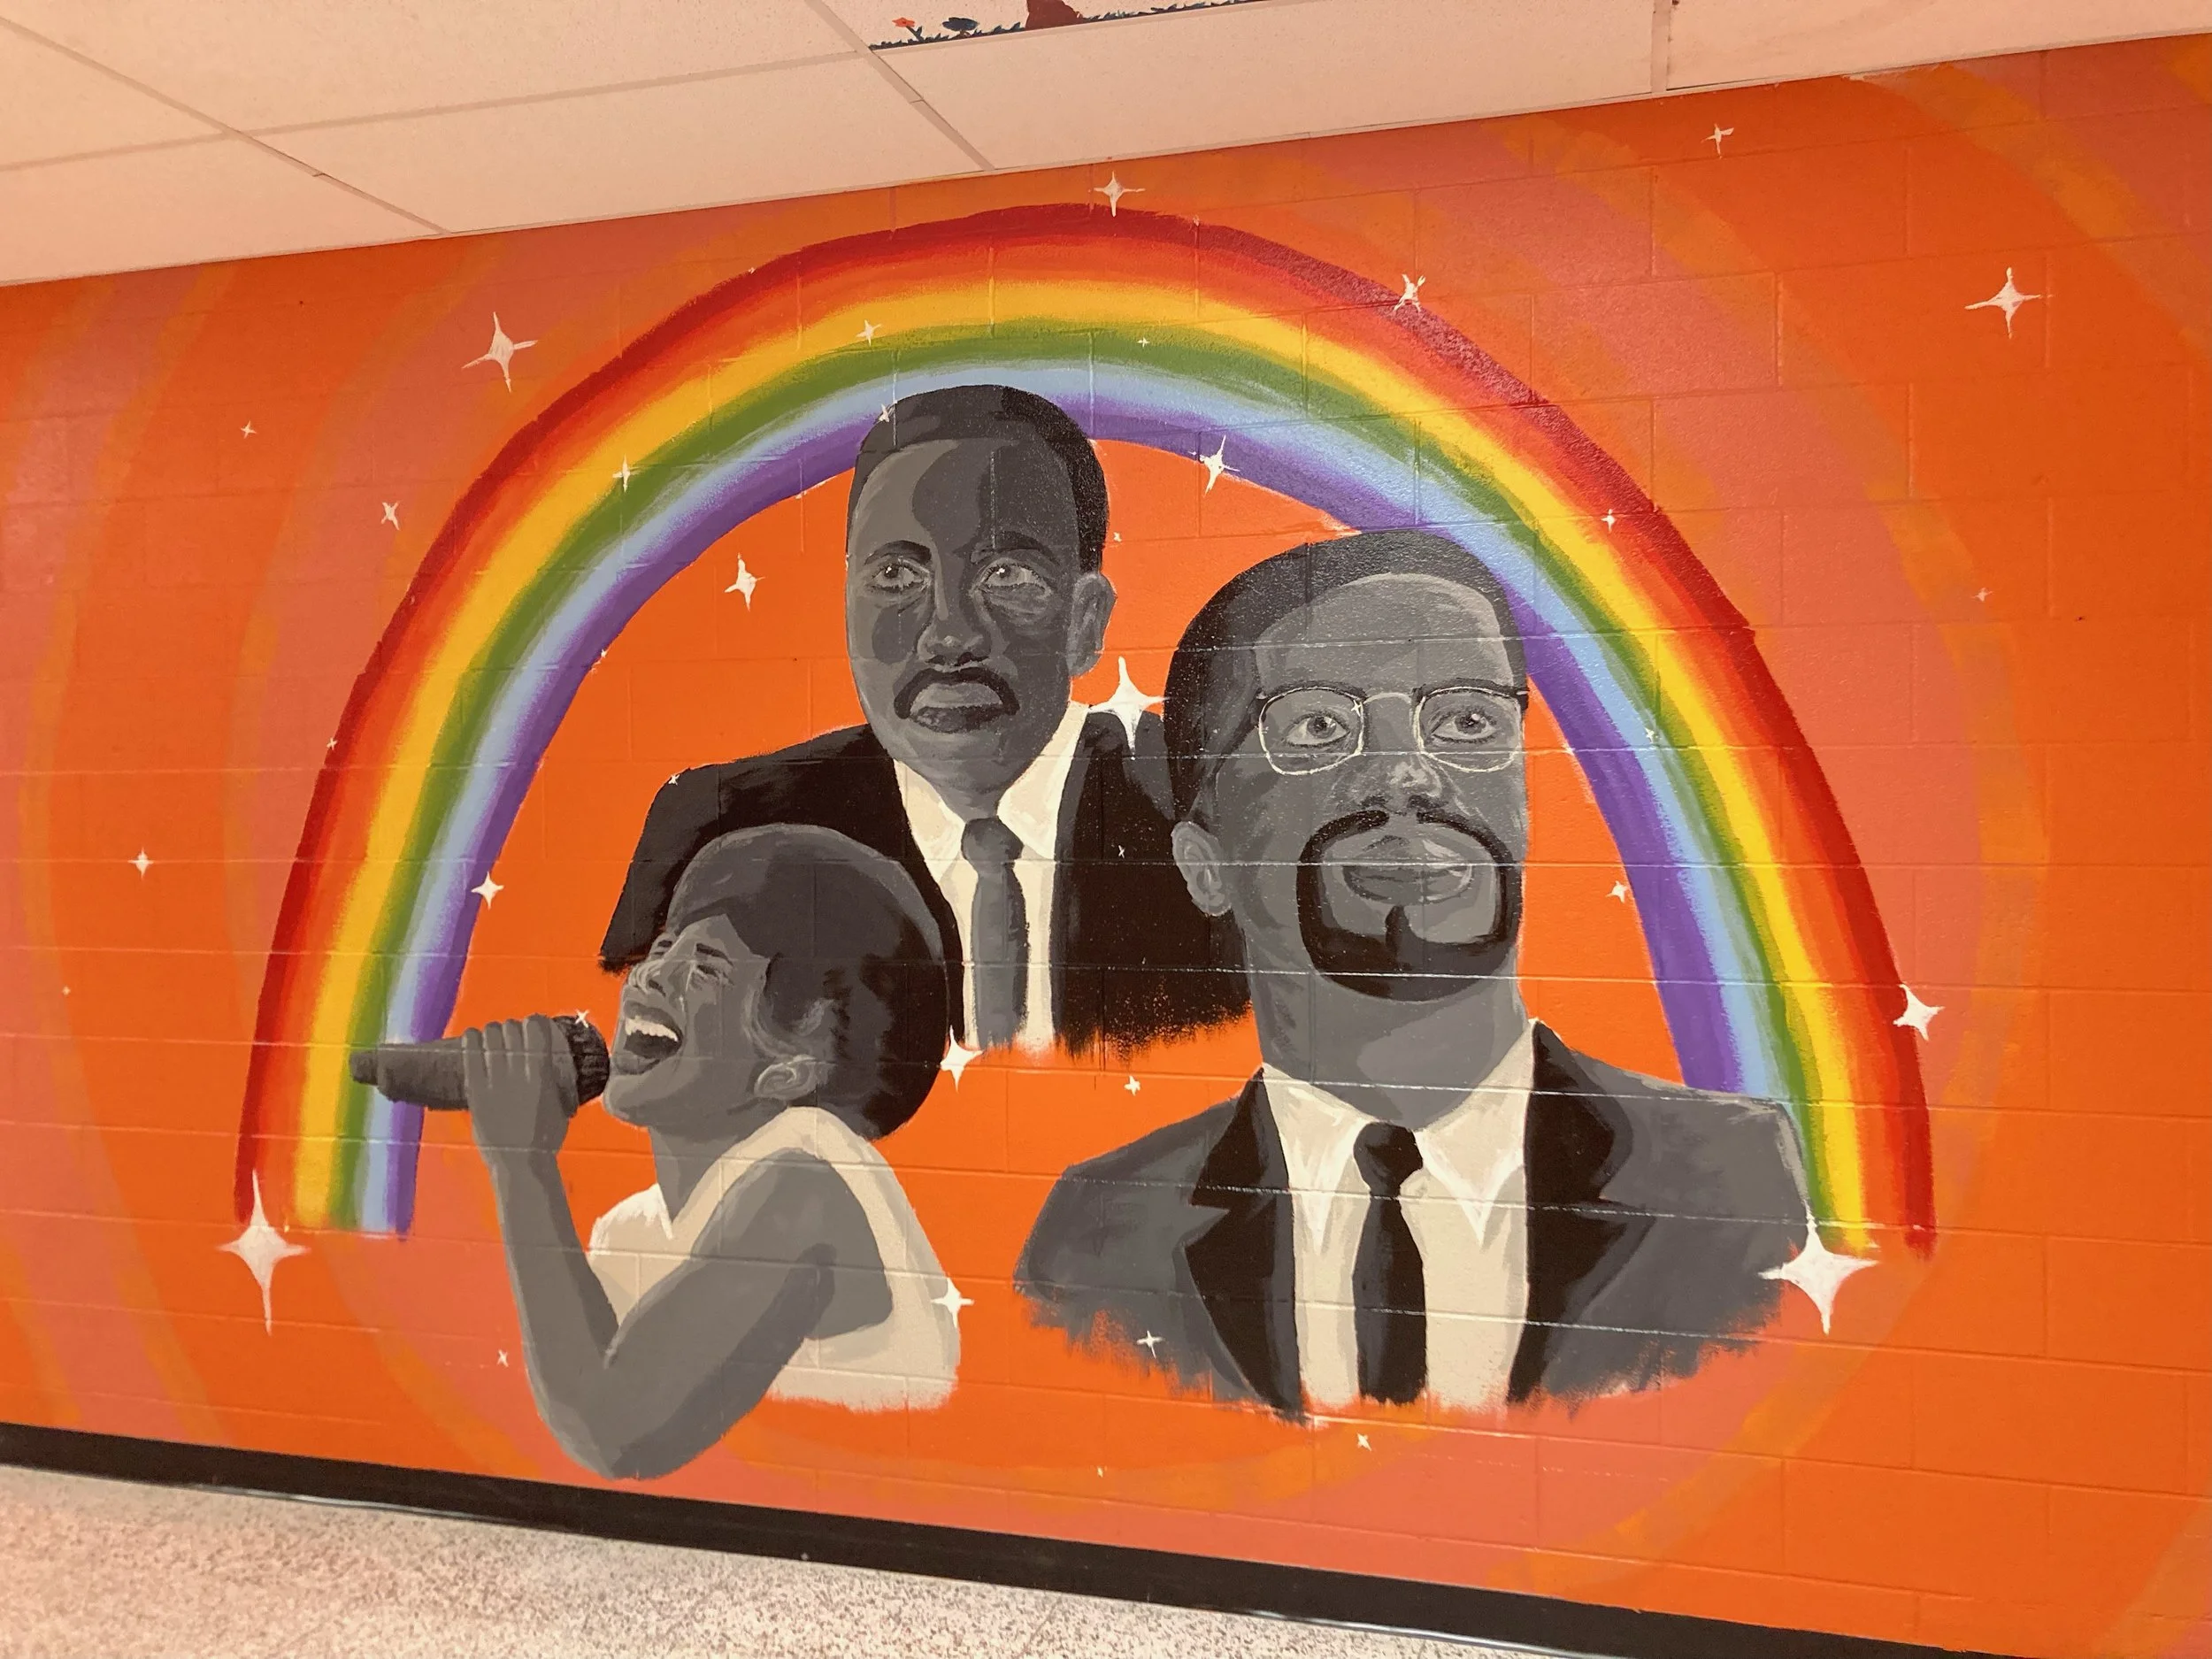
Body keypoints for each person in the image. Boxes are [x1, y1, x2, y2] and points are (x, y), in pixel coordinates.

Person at [1017, 530, 1814, 1418]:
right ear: (1206, 864)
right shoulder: (1101, 1233)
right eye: (1316, 726)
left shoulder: (1735, 1180)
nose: (1408, 773)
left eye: (1468, 720)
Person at [601, 383, 1235, 1059]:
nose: (951, 635)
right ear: (846, 606)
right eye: (898, 575)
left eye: (1008, 575)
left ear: (1085, 623)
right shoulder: (716, 825)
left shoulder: (1211, 818)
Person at [465, 825, 959, 1479]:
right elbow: (589, 1377)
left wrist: (523, 1163)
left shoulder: (805, 1185)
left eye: (705, 968)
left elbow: (613, 1428)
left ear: (788, 1069)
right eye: (666, 946)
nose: (649, 974)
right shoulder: (629, 1230)